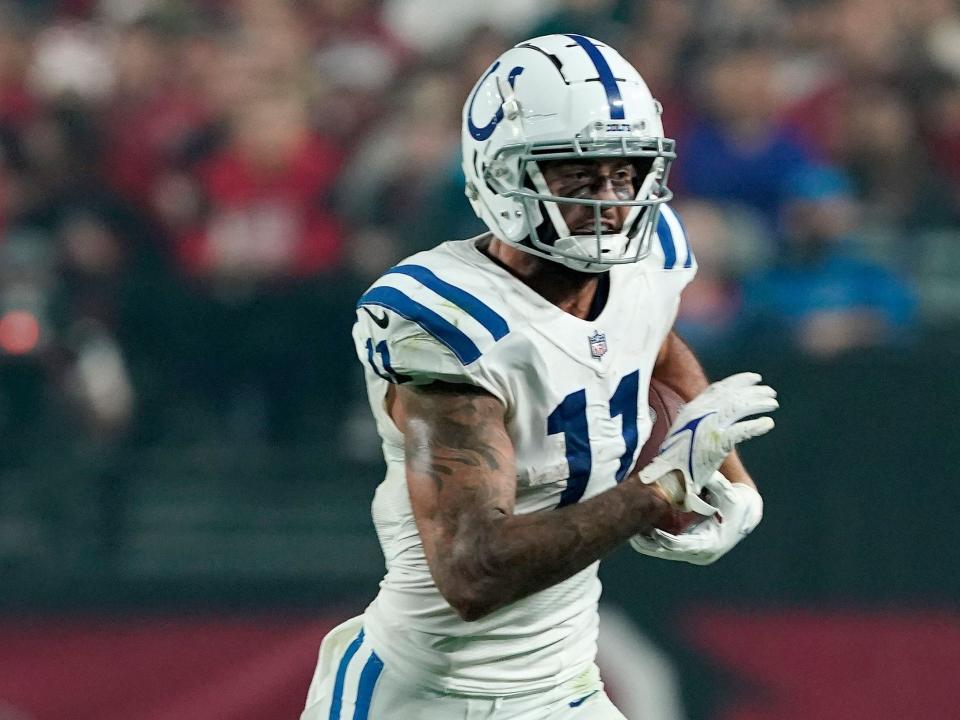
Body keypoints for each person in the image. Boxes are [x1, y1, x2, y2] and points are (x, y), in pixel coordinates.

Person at [302, 34, 779, 720]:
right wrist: (660, 488)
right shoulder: (448, 322)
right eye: (577, 177)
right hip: (428, 698)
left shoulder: (646, 262)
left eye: (626, 172)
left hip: (564, 685)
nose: (611, 201)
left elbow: (651, 334)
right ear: (498, 175)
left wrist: (724, 471)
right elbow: (474, 570)